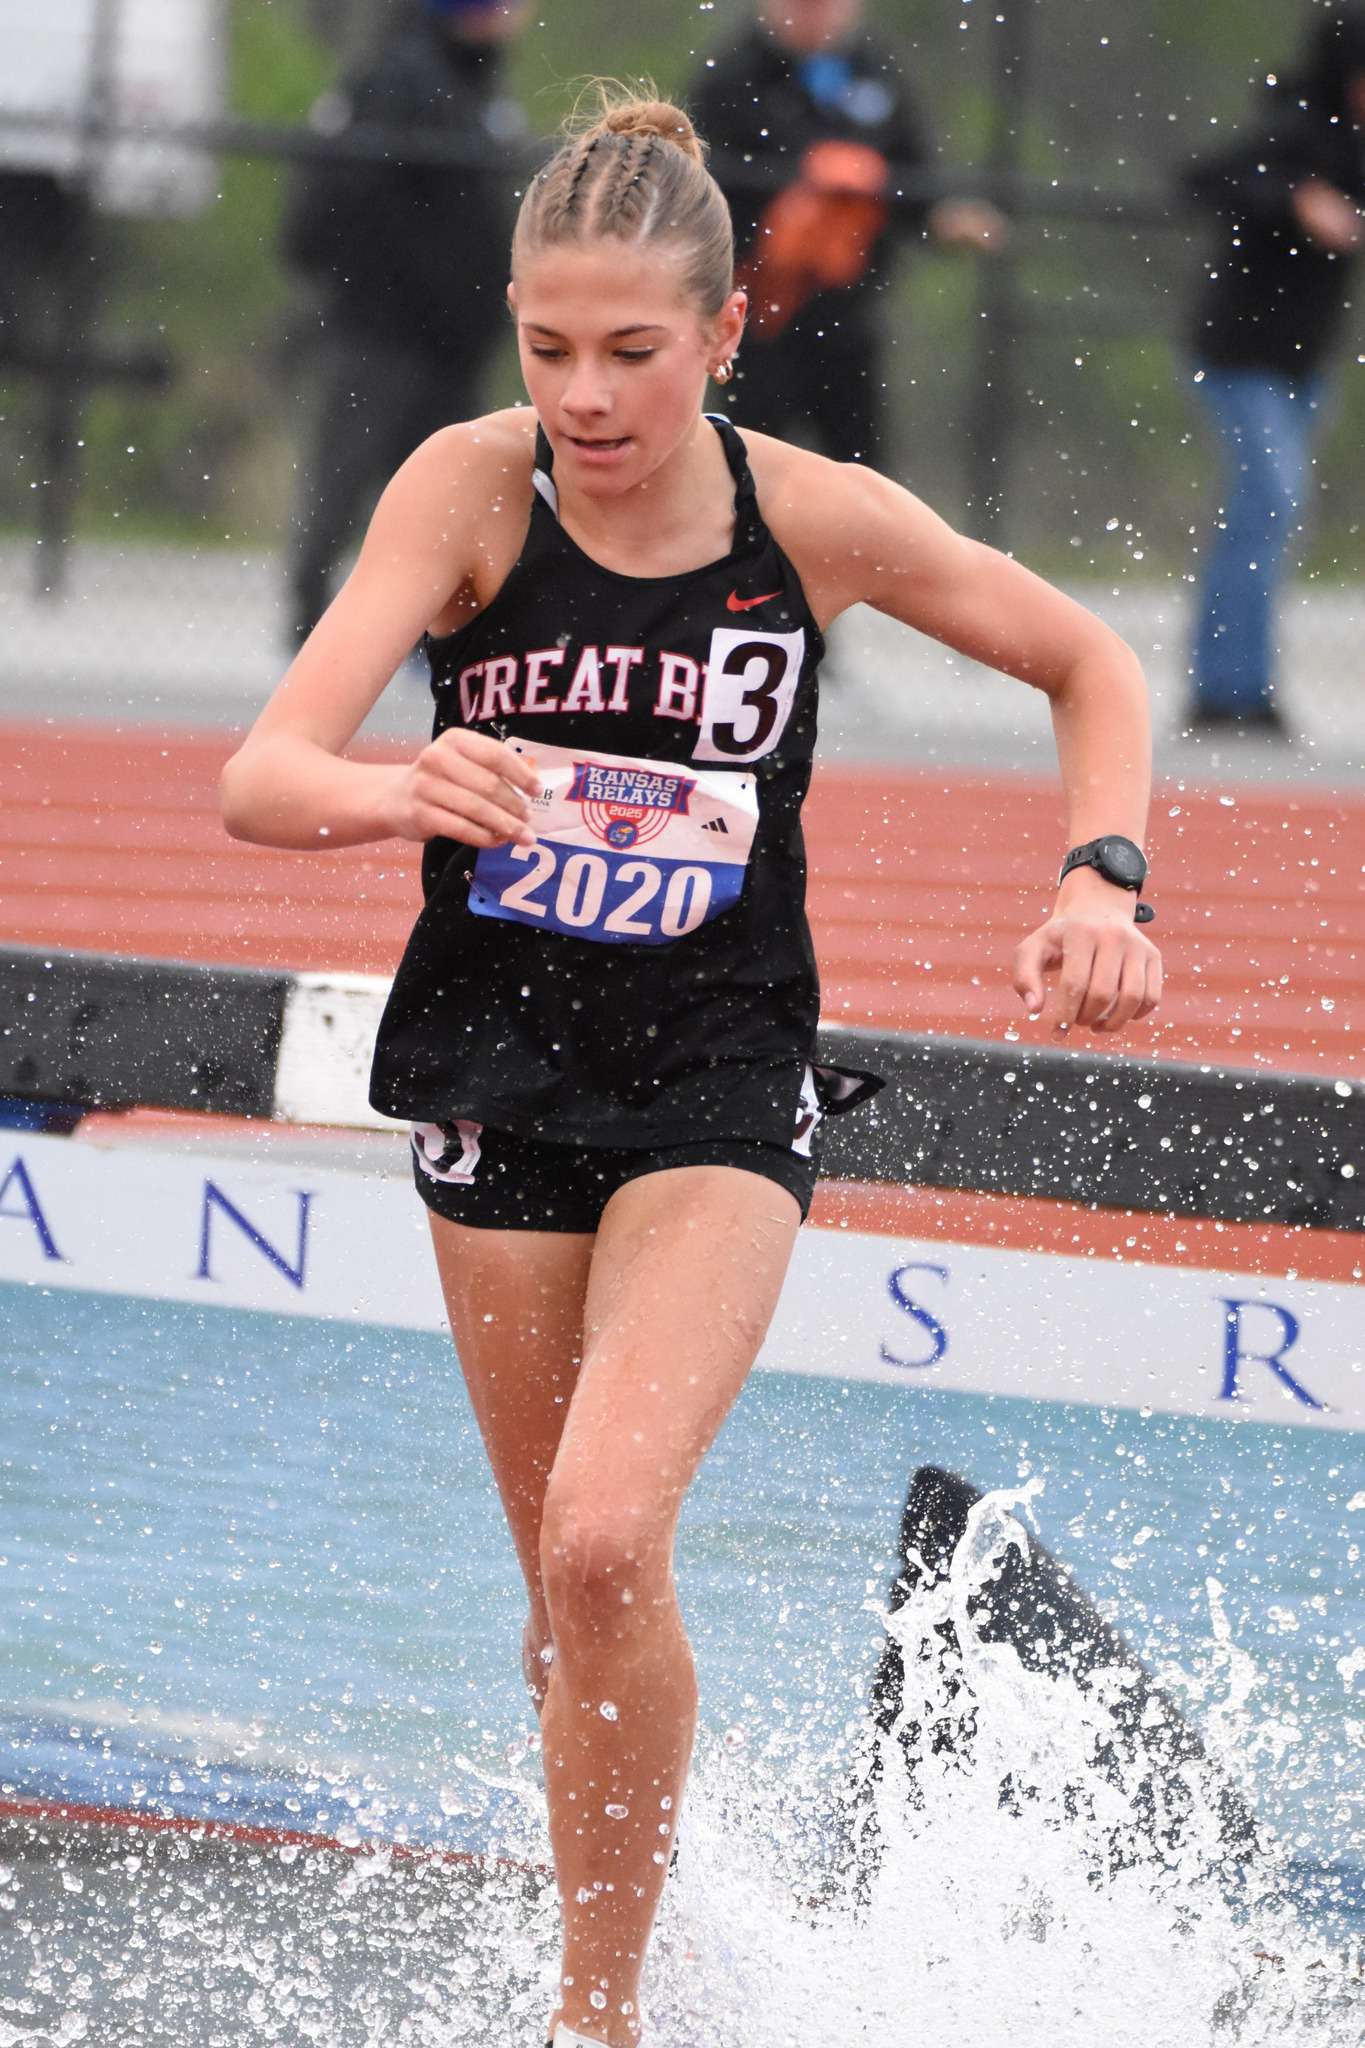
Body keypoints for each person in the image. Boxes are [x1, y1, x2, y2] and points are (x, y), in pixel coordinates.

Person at [220, 87, 1161, 2048]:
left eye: (631, 352)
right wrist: (402, 778)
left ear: (722, 337)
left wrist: (1101, 867)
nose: (582, 393)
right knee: (558, 1601)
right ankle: (651, 1914)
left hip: (719, 1076)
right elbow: (263, 771)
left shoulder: (803, 517)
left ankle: (596, 2019)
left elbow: (1089, 662)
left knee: (599, 1534)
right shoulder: (464, 493)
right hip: (496, 1066)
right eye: (547, 346)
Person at [281, 0, 527, 646]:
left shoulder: (472, 81)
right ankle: (310, 628)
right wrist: (428, 295)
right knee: (349, 473)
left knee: (441, 489)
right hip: (390, 329)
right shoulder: (404, 79)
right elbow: (355, 210)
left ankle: (430, 632)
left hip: (445, 340)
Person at [689, 0, 1003, 464]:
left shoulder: (876, 74)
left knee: (861, 469)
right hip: (755, 321)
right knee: (747, 467)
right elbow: (706, 190)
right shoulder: (731, 79)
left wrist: (943, 220)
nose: (814, 12)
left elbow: (912, 178)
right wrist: (800, 191)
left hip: (848, 320)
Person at [1183, 2, 1365, 735]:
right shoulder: (1295, 126)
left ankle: (1241, 683)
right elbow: (1200, 179)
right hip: (1240, 354)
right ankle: (1224, 687)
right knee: (1266, 504)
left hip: (1301, 361)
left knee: (1268, 516)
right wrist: (1294, 199)